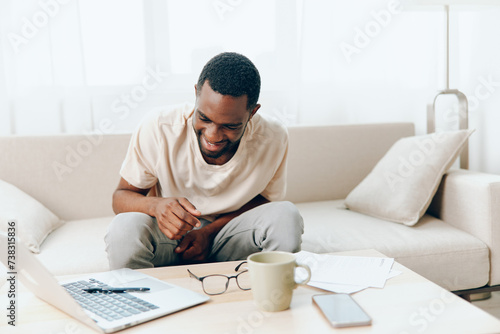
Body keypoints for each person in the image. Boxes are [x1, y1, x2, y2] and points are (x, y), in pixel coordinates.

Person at [105, 52, 304, 269]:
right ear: (196, 94)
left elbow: (266, 201)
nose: (212, 135)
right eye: (204, 118)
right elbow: (120, 197)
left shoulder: (272, 137)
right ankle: (144, 301)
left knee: (286, 215)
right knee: (124, 227)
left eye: (230, 126)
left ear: (252, 112)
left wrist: (208, 233)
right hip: (169, 240)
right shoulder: (159, 127)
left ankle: (269, 297)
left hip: (229, 237)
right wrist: (155, 206)